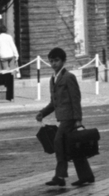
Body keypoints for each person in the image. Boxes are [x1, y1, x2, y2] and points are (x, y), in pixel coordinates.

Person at [37, 46, 93, 188]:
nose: (53, 64)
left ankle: (60, 176)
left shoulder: (69, 77)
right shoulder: (53, 79)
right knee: (73, 147)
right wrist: (42, 113)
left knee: (58, 142)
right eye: (51, 61)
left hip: (70, 118)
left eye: (56, 60)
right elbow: (53, 102)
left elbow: (76, 99)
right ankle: (86, 176)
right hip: (62, 118)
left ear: (63, 61)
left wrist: (78, 119)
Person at [0, 23, 20, 102]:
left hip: (3, 55)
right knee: (11, 71)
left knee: (6, 72)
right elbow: (13, 46)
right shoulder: (9, 37)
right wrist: (16, 55)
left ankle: (7, 86)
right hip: (10, 55)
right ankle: (12, 86)